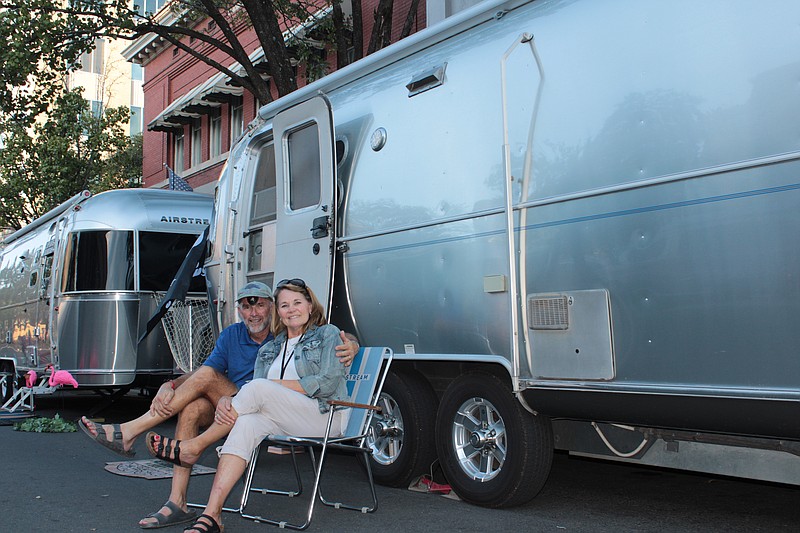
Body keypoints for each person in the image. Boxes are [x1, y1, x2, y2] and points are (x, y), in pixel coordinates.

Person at [78, 281, 359, 529]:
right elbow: (205, 372)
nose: (254, 313)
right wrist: (171, 384)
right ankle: (196, 510)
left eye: (261, 306)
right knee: (194, 408)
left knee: (254, 387)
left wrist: (355, 344)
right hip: (251, 406)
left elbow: (332, 363)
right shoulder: (265, 345)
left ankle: (152, 437)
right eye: (248, 308)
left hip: (311, 408)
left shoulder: (313, 333)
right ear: (240, 310)